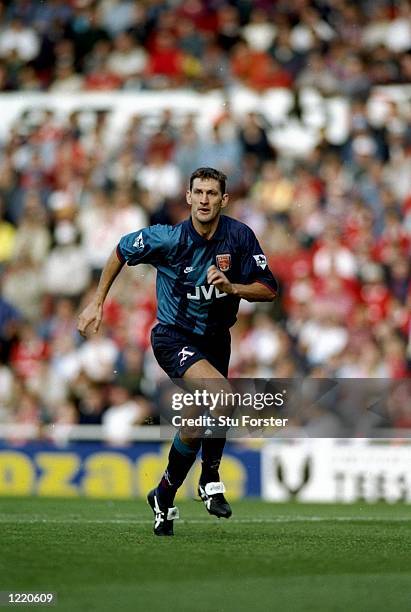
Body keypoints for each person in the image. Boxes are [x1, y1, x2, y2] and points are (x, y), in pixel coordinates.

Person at [77, 167, 277, 535]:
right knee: (223, 398)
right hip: (173, 336)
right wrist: (97, 302)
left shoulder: (240, 236)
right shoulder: (167, 239)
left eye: (212, 193)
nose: (204, 199)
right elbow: (121, 250)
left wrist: (233, 288)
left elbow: (269, 288)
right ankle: (210, 480)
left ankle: (164, 495)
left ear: (223, 199)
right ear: (187, 197)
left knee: (194, 424)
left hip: (217, 339)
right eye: (198, 192)